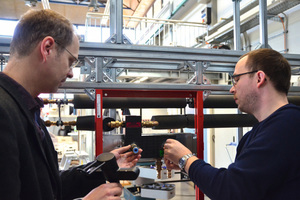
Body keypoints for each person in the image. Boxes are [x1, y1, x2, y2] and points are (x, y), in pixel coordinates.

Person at [0, 9, 142, 200]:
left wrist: (100, 168)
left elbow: (47, 187)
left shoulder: (27, 110)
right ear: (47, 48)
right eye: (70, 61)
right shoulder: (4, 112)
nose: (71, 74)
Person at [164, 48, 300, 200]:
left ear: (259, 78)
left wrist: (186, 159)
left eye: (236, 80)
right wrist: (187, 166)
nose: (231, 89)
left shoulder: (288, 125)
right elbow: (241, 182)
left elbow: (230, 189)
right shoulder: (256, 134)